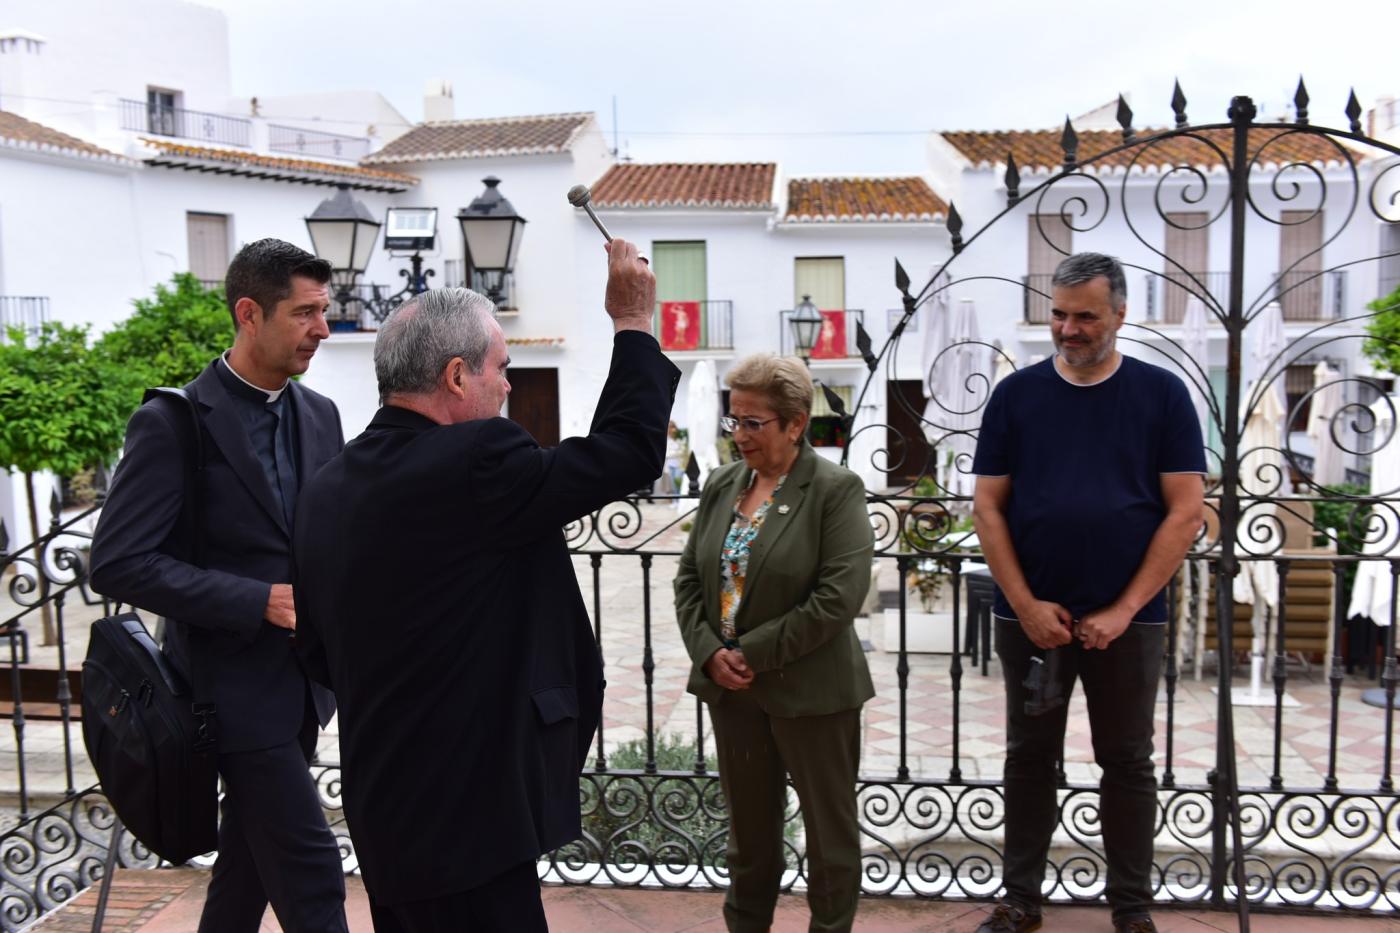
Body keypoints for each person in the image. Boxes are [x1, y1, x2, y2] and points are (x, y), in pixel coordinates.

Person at [292, 239, 678, 931]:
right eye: (501, 369)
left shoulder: (326, 487)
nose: (508, 387)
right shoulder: (478, 459)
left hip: (384, 808)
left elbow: (318, 651)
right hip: (473, 811)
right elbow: (628, 452)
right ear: (455, 376)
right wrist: (632, 322)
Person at [90, 239, 348, 933]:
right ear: (248, 314)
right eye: (305, 313)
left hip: (306, 689)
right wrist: (255, 599)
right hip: (223, 694)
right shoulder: (172, 422)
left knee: (245, 870)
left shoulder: (322, 415)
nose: (323, 329)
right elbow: (117, 561)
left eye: (323, 311)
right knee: (311, 869)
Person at [970, 253, 1205, 933]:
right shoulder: (1016, 396)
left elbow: (1185, 511)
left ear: (1120, 315)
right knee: (1029, 757)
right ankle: (1020, 901)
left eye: (1085, 316)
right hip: (1031, 617)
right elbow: (988, 507)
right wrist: (1025, 604)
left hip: (1131, 619)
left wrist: (1123, 609)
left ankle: (1131, 909)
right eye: (1059, 314)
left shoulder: (1162, 395)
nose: (1068, 329)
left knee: (1127, 760)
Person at [674, 353, 875, 933]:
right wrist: (710, 652)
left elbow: (838, 597)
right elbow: (689, 581)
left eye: (752, 423)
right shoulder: (722, 484)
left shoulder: (834, 489)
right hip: (733, 691)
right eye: (733, 420)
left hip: (813, 693)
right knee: (750, 841)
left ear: (794, 423)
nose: (738, 435)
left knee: (830, 843)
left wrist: (751, 653)